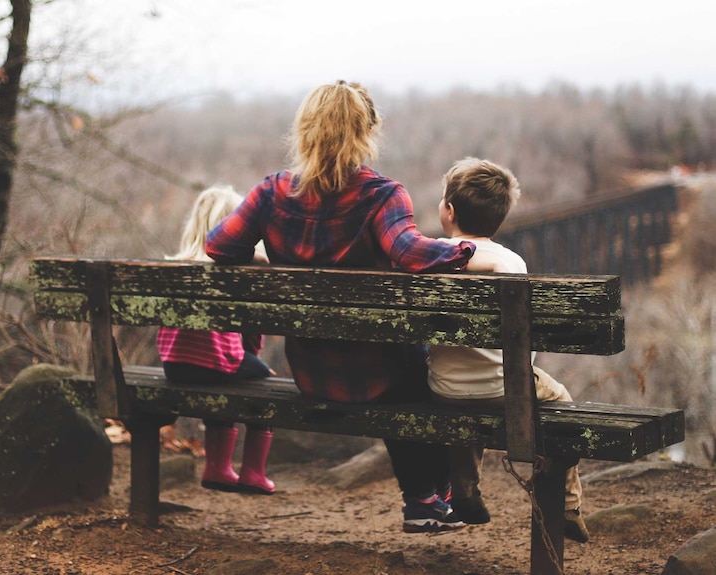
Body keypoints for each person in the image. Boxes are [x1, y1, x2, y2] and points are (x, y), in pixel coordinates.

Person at [205, 80, 477, 533]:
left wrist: (262, 258)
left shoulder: (271, 193)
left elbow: (218, 246)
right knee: (419, 367)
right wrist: (465, 250)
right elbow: (410, 252)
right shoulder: (381, 195)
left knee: (404, 364)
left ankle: (429, 499)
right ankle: (428, 497)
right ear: (368, 131)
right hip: (380, 376)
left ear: (305, 131)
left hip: (312, 373)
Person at [428, 157, 590, 543]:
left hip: (444, 388)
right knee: (561, 400)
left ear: (449, 211)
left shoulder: (429, 256)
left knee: (467, 398)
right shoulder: (511, 263)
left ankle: (464, 490)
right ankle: (568, 504)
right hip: (506, 388)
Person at [156, 185, 277, 495]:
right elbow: (250, 332)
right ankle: (252, 473)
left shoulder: (175, 266)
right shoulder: (234, 270)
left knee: (225, 374)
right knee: (266, 383)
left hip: (174, 366)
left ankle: (217, 468)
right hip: (216, 364)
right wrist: (255, 360)